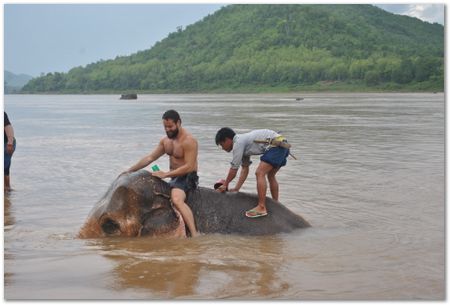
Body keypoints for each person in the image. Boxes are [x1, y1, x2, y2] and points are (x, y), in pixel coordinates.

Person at [121, 110, 199, 237]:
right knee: (147, 177)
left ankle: (195, 233)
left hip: (187, 176)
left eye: (170, 126)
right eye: (165, 127)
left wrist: (166, 175)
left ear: (179, 123)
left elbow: (190, 166)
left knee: (177, 199)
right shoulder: (165, 141)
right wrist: (130, 170)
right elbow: (150, 158)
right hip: (173, 177)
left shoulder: (189, 141)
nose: (168, 130)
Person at [215, 128, 290, 218]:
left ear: (227, 140)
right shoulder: (243, 143)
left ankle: (261, 207)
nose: (222, 148)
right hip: (283, 145)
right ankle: (276, 204)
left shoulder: (238, 143)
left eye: (221, 144)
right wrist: (236, 188)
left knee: (259, 173)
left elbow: (234, 169)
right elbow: (244, 169)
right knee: (271, 176)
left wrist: (225, 184)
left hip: (277, 146)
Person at [4, 112, 16, 192]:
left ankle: (7, 189)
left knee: (5, 168)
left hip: (6, 143)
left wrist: (10, 142)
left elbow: (8, 126)